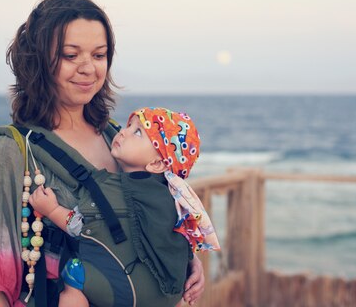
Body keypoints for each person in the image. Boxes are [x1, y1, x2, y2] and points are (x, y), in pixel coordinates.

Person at [0, 0, 205, 307]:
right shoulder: (9, 151)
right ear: (38, 61)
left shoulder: (118, 140)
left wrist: (184, 262)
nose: (88, 68)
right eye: (70, 55)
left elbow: (149, 222)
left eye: (99, 55)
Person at [29, 107, 220, 307]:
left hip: (124, 292)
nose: (123, 131)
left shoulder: (110, 187)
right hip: (170, 295)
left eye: (137, 132)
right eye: (129, 126)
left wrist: (51, 210)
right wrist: (192, 262)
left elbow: (79, 226)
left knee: (73, 274)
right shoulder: (176, 199)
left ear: (156, 164)